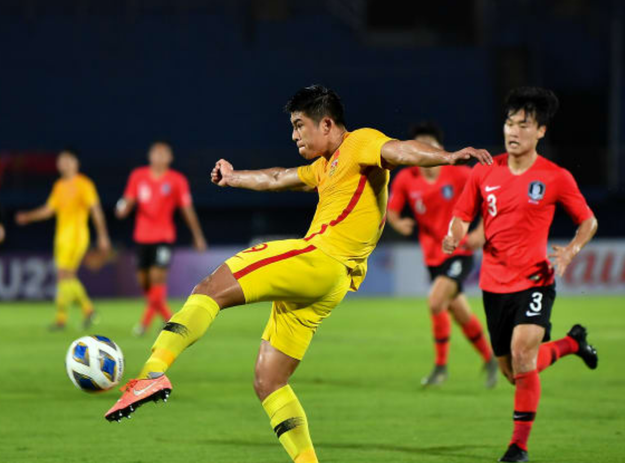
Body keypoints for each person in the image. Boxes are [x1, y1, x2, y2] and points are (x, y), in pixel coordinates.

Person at [104, 85, 493, 463]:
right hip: (331, 283)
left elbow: (400, 150)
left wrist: (449, 157)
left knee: (211, 287)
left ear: (326, 124)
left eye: (298, 125)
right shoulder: (326, 167)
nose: (293, 135)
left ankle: (152, 372)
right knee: (269, 381)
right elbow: (278, 177)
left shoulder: (359, 143)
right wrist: (234, 176)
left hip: (320, 258)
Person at [443, 87, 599, 462]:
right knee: (515, 371)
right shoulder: (484, 170)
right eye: (509, 123)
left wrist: (572, 250)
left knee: (522, 353)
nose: (513, 131)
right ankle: (572, 344)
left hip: (535, 280)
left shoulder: (555, 177)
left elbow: (588, 220)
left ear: (541, 132)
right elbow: (463, 215)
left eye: (523, 125)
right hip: (493, 285)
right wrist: (453, 235)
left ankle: (518, 447)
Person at [387, 121, 497, 388]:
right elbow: (391, 210)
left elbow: (489, 201)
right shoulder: (406, 178)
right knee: (459, 313)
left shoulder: (459, 175)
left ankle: (440, 367)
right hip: (433, 256)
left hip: (459, 251)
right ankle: (490, 359)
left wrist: (481, 232)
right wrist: (398, 223)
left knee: (436, 301)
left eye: (430, 145)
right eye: (420, 146)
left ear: (440, 149)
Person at [115, 141, 207, 336]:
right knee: (144, 282)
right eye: (156, 153)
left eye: (163, 153)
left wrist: (197, 235)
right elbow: (129, 199)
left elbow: (186, 209)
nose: (159, 156)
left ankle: (150, 323)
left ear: (170, 158)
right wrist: (122, 208)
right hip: (142, 237)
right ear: (150, 156)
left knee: (157, 278)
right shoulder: (138, 176)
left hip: (164, 237)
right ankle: (169, 318)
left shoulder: (176, 180)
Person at [16, 149, 111, 329]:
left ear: (76, 163)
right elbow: (48, 210)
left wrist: (103, 235)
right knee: (65, 277)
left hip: (76, 236)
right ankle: (86, 311)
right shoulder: (59, 186)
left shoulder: (84, 184)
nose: (64, 163)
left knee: (64, 275)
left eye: (68, 160)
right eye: (61, 160)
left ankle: (65, 317)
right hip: (61, 237)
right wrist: (28, 216)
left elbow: (95, 210)